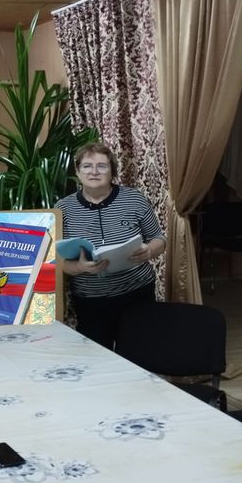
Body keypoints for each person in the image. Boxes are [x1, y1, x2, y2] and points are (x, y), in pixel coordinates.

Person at [54, 143, 166, 350]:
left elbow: (159, 239)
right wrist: (79, 267)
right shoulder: (63, 208)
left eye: (102, 166)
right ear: (78, 172)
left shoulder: (134, 199)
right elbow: (55, 261)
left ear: (112, 171)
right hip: (90, 301)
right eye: (87, 166)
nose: (94, 172)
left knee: (140, 354)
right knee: (99, 357)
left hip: (137, 294)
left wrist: (149, 251)